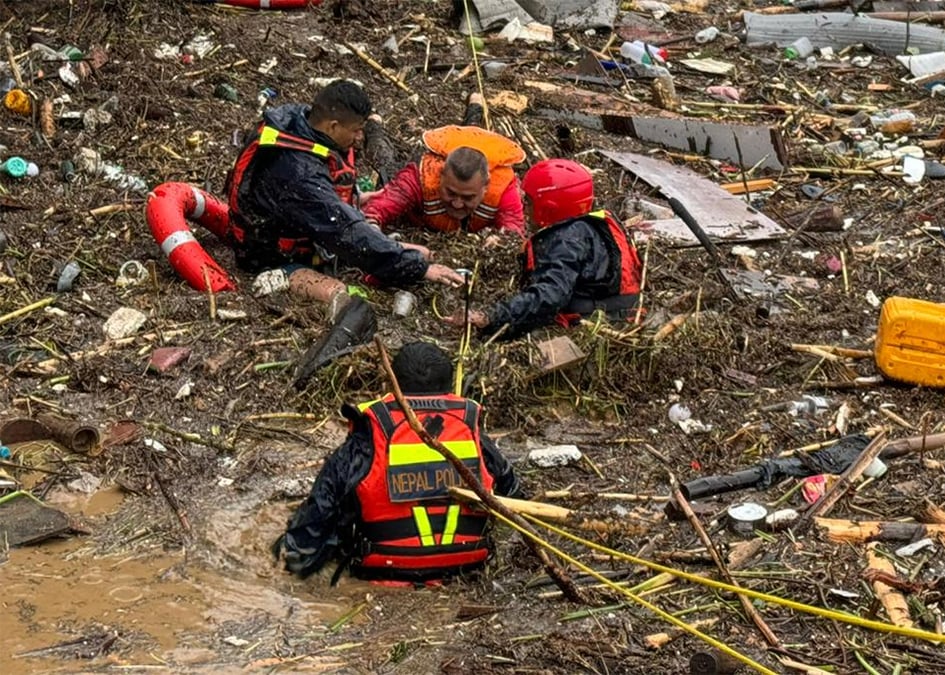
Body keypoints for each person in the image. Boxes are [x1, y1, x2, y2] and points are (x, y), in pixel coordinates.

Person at [276, 341, 522, 586]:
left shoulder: (371, 431)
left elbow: (323, 504)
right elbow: (513, 494)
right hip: (466, 568)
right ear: (448, 388)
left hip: (385, 573)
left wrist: (291, 559)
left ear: (392, 384)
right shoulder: (469, 426)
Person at [224, 80, 464, 288]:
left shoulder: (299, 121)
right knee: (338, 291)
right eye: (357, 130)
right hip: (271, 254)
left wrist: (355, 198)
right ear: (334, 126)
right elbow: (345, 232)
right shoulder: (300, 174)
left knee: (420, 253)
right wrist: (418, 270)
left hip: (299, 223)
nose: (360, 137)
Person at [446, 159, 644, 341]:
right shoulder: (586, 224)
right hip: (616, 306)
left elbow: (550, 297)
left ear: (548, 208)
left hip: (600, 320)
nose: (523, 207)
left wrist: (489, 316)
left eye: (528, 201)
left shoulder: (568, 240)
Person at [361, 94, 527, 238]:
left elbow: (513, 229)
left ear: (486, 185)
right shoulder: (421, 176)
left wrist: (501, 240)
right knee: (382, 158)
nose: (457, 204)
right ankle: (374, 127)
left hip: (476, 148)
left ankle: (475, 105)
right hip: (423, 161)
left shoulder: (504, 187)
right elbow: (379, 207)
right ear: (441, 174)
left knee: (473, 133)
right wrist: (372, 225)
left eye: (468, 197)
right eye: (451, 192)